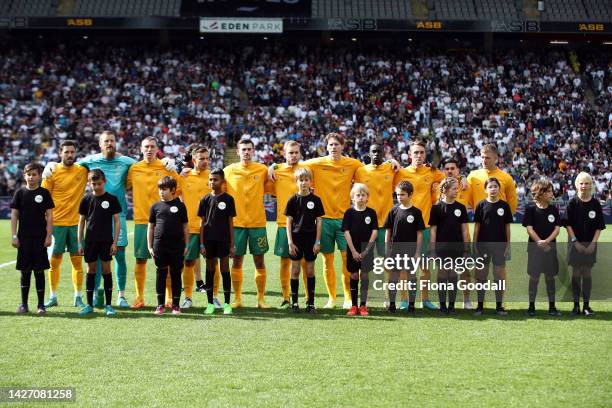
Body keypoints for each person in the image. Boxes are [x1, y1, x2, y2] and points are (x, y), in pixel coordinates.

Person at [45, 130, 138, 308]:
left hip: (118, 216)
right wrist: (51, 165)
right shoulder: (89, 161)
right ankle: (94, 294)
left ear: (115, 143)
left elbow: (144, 165)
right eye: (106, 141)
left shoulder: (126, 161)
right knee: (93, 258)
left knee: (119, 256)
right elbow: (68, 166)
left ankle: (121, 296)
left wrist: (167, 162)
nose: (109, 144)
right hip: (96, 219)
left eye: (112, 141)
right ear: (100, 144)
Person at [128, 137, 181, 309]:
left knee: (166, 263)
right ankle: (139, 297)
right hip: (142, 221)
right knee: (140, 260)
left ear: (157, 149)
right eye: (146, 147)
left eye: (152, 147)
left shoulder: (165, 168)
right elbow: (123, 184)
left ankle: (169, 298)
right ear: (141, 149)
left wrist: (176, 170)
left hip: (165, 222)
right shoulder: (134, 169)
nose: (149, 149)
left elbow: (180, 186)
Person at [394, 140, 445, 310]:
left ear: (425, 154)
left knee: (425, 268)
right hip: (403, 228)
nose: (419, 156)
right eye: (415, 152)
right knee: (403, 268)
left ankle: (425, 300)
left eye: (422, 152)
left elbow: (447, 180)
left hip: (424, 227)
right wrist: (390, 161)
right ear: (410, 154)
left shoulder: (431, 172)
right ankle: (404, 299)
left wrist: (462, 180)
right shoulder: (400, 172)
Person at [224, 138, 272, 308]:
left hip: (257, 223)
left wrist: (275, 168)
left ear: (254, 151)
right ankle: (237, 298)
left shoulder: (262, 170)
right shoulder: (228, 171)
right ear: (237, 152)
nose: (246, 152)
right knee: (237, 261)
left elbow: (275, 185)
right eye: (243, 149)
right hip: (236, 225)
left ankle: (261, 299)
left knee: (260, 261)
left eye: (249, 149)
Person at [467, 143, 518, 308]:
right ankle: (479, 304)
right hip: (482, 235)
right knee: (480, 271)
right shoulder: (473, 176)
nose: (484, 159)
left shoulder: (506, 178)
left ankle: (499, 303)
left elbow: (512, 203)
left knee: (499, 271)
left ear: (496, 158)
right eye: (482, 156)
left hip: (499, 236)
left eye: (487, 157)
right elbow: (466, 198)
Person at [42, 140, 88, 309]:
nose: (69, 155)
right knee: (55, 262)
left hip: (76, 225)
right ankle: (53, 296)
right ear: (60, 153)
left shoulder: (82, 170)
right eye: (66, 152)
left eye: (72, 152)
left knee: (77, 262)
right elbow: (44, 199)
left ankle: (78, 297)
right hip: (56, 225)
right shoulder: (52, 172)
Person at [179, 145, 219, 309]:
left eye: (207, 158)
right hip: (191, 229)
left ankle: (214, 297)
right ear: (193, 160)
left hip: (211, 228)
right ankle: (188, 298)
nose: (205, 161)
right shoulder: (184, 177)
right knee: (188, 264)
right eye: (201, 158)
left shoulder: (213, 177)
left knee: (212, 264)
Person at [77, 169, 121, 316]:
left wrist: (115, 242)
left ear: (104, 182)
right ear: (89, 183)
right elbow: (81, 221)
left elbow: (117, 221)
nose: (96, 187)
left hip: (106, 241)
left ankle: (109, 305)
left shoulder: (112, 199)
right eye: (93, 184)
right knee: (91, 270)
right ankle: (89, 305)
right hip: (90, 240)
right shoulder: (86, 199)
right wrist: (79, 242)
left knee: (107, 270)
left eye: (99, 183)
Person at [11, 163, 54, 315]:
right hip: (23, 238)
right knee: (25, 271)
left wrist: (49, 235)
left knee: (39, 271)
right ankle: (24, 304)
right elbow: (14, 215)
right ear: (24, 176)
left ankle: (41, 305)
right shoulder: (19, 193)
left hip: (40, 238)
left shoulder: (44, 193)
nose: (31, 177)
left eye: (34, 174)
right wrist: (14, 235)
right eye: (28, 174)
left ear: (39, 176)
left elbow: (49, 216)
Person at [269, 141, 307, 308]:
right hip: (284, 224)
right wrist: (272, 166)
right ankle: (286, 297)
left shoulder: (307, 169)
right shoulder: (276, 171)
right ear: (284, 154)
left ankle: (307, 298)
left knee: (306, 263)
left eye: (296, 152)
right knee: (285, 262)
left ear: (300, 153)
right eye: (290, 153)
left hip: (305, 225)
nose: (293, 155)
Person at [563, 172, 606, 316]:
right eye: (581, 183)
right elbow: (567, 224)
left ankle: (586, 306)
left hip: (590, 245)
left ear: (590, 186)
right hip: (575, 244)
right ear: (577, 185)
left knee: (587, 272)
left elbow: (599, 226)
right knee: (576, 272)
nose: (584, 186)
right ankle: (576, 306)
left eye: (587, 183)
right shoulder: (572, 203)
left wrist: (593, 244)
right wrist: (575, 242)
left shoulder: (595, 204)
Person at [285, 167, 324, 313]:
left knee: (310, 271)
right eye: (301, 180)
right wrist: (290, 242)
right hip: (295, 239)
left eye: (306, 180)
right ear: (296, 182)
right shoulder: (292, 200)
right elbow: (288, 221)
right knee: (295, 271)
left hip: (310, 239)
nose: (303, 183)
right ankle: (294, 303)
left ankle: (311, 303)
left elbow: (319, 221)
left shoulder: (316, 200)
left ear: (310, 181)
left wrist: (317, 241)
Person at [148, 177, 189, 316]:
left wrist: (186, 244)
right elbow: (151, 228)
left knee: (176, 274)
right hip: (159, 245)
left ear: (173, 190)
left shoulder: (180, 206)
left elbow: (185, 227)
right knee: (161, 273)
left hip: (177, 245)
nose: (161, 192)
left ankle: (176, 306)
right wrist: (150, 246)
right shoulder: (155, 206)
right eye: (160, 189)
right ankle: (160, 305)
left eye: (164, 189)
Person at [429, 178, 470, 314]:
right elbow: (433, 230)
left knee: (453, 275)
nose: (456, 190)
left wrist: (466, 248)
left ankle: (451, 306)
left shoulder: (461, 207)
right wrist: (433, 249)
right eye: (453, 188)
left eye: (457, 188)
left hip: (457, 248)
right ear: (445, 190)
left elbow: (464, 230)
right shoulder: (436, 208)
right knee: (442, 274)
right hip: (441, 248)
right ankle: (442, 306)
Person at [473, 178, 513, 316]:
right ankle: (479, 306)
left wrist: (508, 244)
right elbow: (477, 226)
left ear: (499, 188)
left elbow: (507, 226)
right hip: (483, 245)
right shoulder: (480, 205)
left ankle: (499, 306)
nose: (493, 189)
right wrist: (475, 244)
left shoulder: (504, 206)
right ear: (486, 189)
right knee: (481, 275)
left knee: (499, 275)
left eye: (496, 186)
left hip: (500, 246)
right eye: (490, 186)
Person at [522, 178, 561, 317]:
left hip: (550, 249)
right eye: (549, 191)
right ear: (541, 192)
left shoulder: (553, 209)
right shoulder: (530, 209)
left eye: (551, 191)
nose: (552, 194)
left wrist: (547, 242)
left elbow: (557, 229)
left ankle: (552, 307)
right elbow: (529, 229)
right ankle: (531, 307)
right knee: (534, 277)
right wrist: (539, 242)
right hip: (534, 249)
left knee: (550, 277)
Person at [198, 169, 236, 315]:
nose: (212, 182)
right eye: (211, 179)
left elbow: (230, 223)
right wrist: (201, 244)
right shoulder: (205, 199)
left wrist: (232, 244)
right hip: (208, 240)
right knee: (210, 270)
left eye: (216, 179)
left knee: (225, 269)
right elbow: (202, 223)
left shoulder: (228, 199)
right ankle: (209, 304)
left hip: (224, 240)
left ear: (223, 182)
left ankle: (227, 304)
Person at [384, 180, 425, 314]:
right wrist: (387, 250)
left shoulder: (416, 212)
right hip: (395, 250)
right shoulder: (393, 211)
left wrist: (418, 252)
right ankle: (391, 305)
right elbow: (388, 231)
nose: (399, 197)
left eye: (402, 194)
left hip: (411, 250)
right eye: (397, 195)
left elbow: (420, 234)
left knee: (411, 276)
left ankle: (411, 305)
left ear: (410, 194)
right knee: (394, 276)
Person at [440, 158, 473, 309]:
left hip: (463, 238)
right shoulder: (439, 187)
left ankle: (466, 300)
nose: (450, 171)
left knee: (464, 271)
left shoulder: (466, 186)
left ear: (458, 171)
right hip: (444, 239)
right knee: (445, 272)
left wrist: (465, 178)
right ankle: (443, 302)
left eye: (453, 168)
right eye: (447, 169)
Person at [342, 183, 378, 316]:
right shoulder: (349, 213)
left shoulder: (371, 212)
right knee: (354, 275)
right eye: (358, 195)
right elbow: (346, 232)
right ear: (353, 198)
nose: (361, 197)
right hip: (353, 249)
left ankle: (363, 305)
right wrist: (353, 251)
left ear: (367, 197)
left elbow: (374, 231)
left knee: (364, 275)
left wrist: (367, 250)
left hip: (366, 249)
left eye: (363, 195)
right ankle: (353, 306)